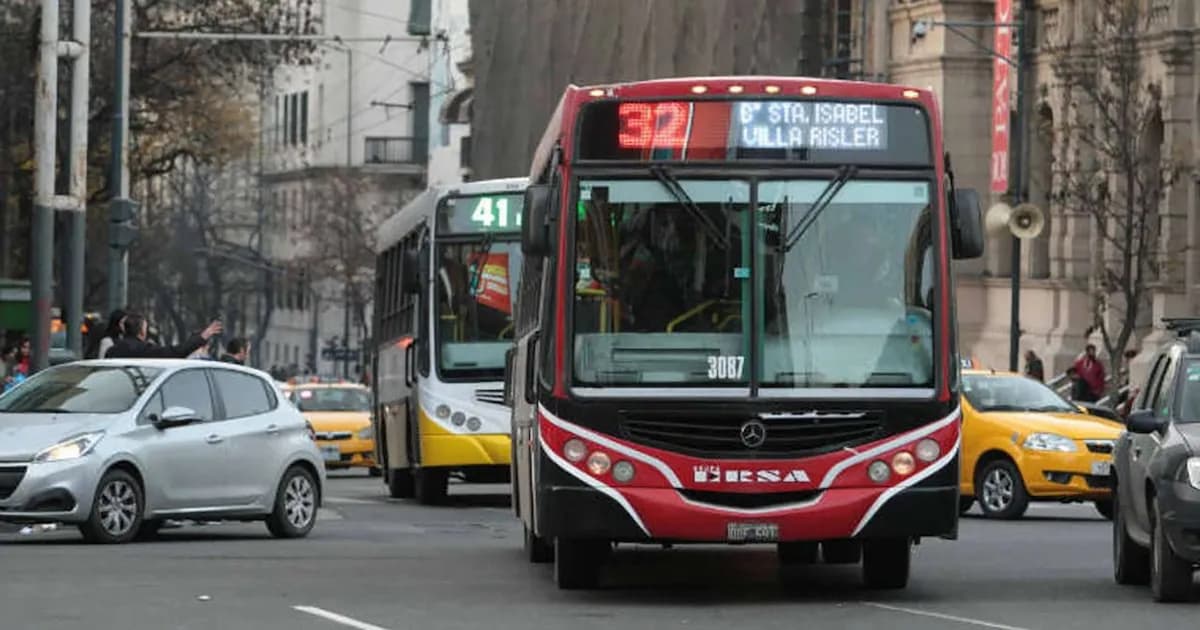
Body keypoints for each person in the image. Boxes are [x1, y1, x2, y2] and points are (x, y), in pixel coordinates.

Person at [106, 314, 223, 359]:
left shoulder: (111, 351)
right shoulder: (144, 350)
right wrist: (203, 336)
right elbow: (177, 352)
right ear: (141, 332)